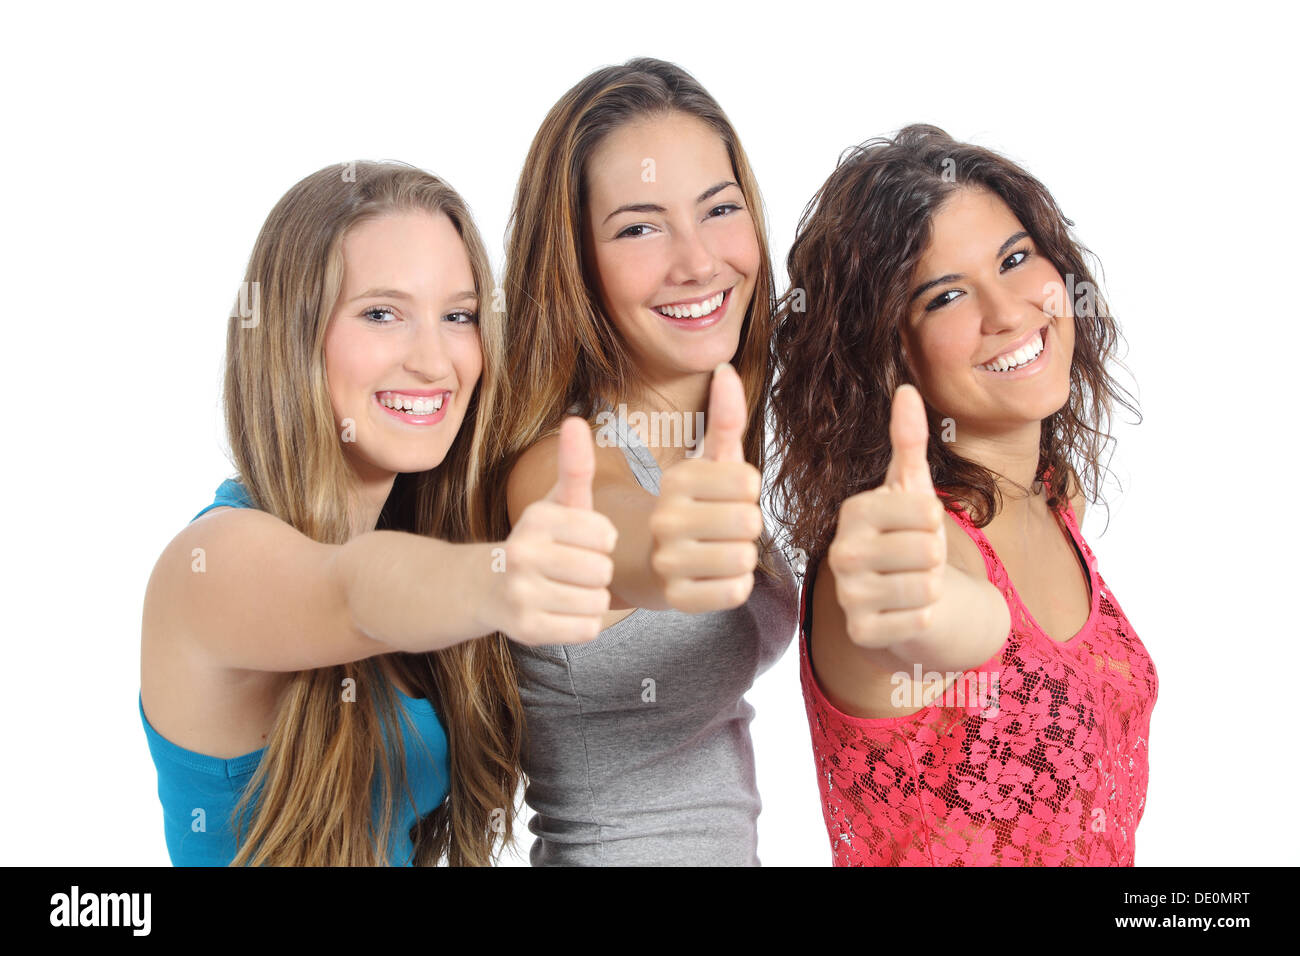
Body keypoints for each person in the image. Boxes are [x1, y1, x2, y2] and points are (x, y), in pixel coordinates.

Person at [139, 161, 616, 866]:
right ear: (292, 337)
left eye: (458, 315)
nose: (434, 360)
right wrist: (500, 579)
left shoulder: (421, 537)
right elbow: (353, 591)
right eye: (382, 313)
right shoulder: (209, 566)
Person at [771, 125, 1157, 866]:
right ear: (888, 353)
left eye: (1015, 259)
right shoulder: (912, 550)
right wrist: (932, 609)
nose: (1008, 312)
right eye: (945, 296)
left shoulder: (1054, 498)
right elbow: (935, 618)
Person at [475, 58, 798, 865]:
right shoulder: (560, 463)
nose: (697, 262)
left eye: (719, 210)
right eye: (640, 227)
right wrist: (672, 542)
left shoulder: (717, 429)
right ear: (576, 263)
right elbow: (611, 533)